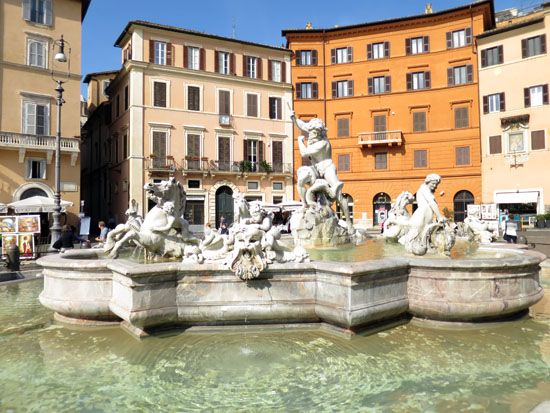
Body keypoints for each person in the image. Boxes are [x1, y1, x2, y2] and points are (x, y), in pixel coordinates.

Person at [289, 111, 353, 231]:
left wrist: (299, 141)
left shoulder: (323, 143)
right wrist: (294, 118)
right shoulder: (312, 132)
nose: (311, 135)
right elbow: (303, 125)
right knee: (301, 178)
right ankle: (305, 204)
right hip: (316, 168)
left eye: (314, 133)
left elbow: (304, 153)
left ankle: (349, 223)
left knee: (338, 194)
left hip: (327, 167)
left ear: (320, 133)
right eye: (311, 132)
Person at [399, 174, 446, 246]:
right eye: (433, 183)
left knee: (422, 237)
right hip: (421, 215)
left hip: (425, 215)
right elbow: (431, 202)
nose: (434, 186)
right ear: (428, 181)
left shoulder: (427, 190)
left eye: (436, 184)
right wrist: (439, 216)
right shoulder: (424, 189)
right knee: (414, 236)